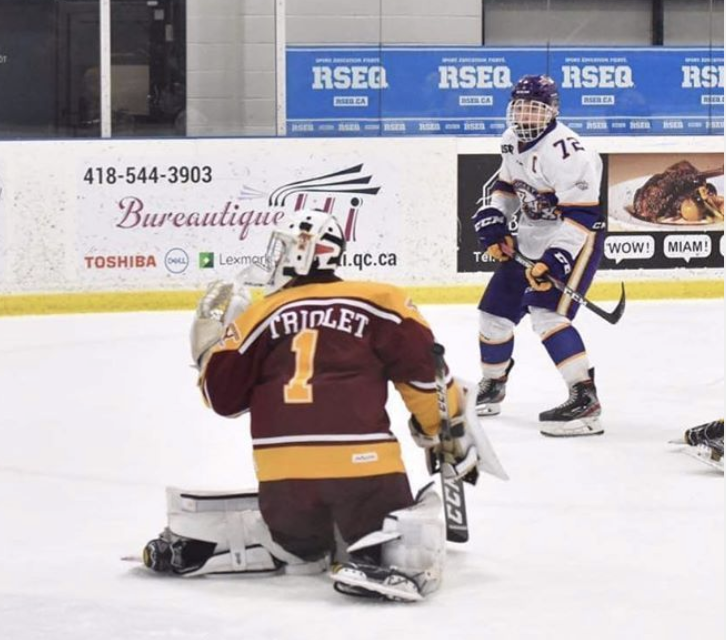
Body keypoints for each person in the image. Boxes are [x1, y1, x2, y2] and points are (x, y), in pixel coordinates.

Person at [140, 209, 485, 603]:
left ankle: (290, 545)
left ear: (302, 251)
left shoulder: (260, 314)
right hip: (367, 479)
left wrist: (209, 347)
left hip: (283, 487)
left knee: (295, 537)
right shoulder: (383, 300)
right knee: (388, 521)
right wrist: (440, 432)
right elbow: (426, 380)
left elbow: (223, 400)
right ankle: (380, 552)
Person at [471, 74, 606, 436]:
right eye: (520, 108)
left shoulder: (569, 152)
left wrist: (556, 258)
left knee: (547, 316)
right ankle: (492, 386)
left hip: (575, 239)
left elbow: (582, 214)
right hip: (531, 236)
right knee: (492, 316)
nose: (526, 117)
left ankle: (585, 401)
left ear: (551, 112)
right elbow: (506, 186)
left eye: (535, 109)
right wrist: (496, 222)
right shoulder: (510, 140)